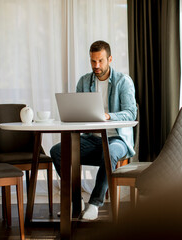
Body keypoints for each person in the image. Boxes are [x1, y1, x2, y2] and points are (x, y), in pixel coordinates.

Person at [50, 40, 137, 220]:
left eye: (100, 61)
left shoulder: (123, 81)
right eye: (92, 61)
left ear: (110, 59)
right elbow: (78, 112)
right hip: (91, 139)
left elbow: (130, 114)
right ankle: (76, 201)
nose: (96, 66)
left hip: (116, 139)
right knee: (57, 151)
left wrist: (108, 116)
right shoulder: (84, 81)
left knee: (109, 151)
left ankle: (95, 203)